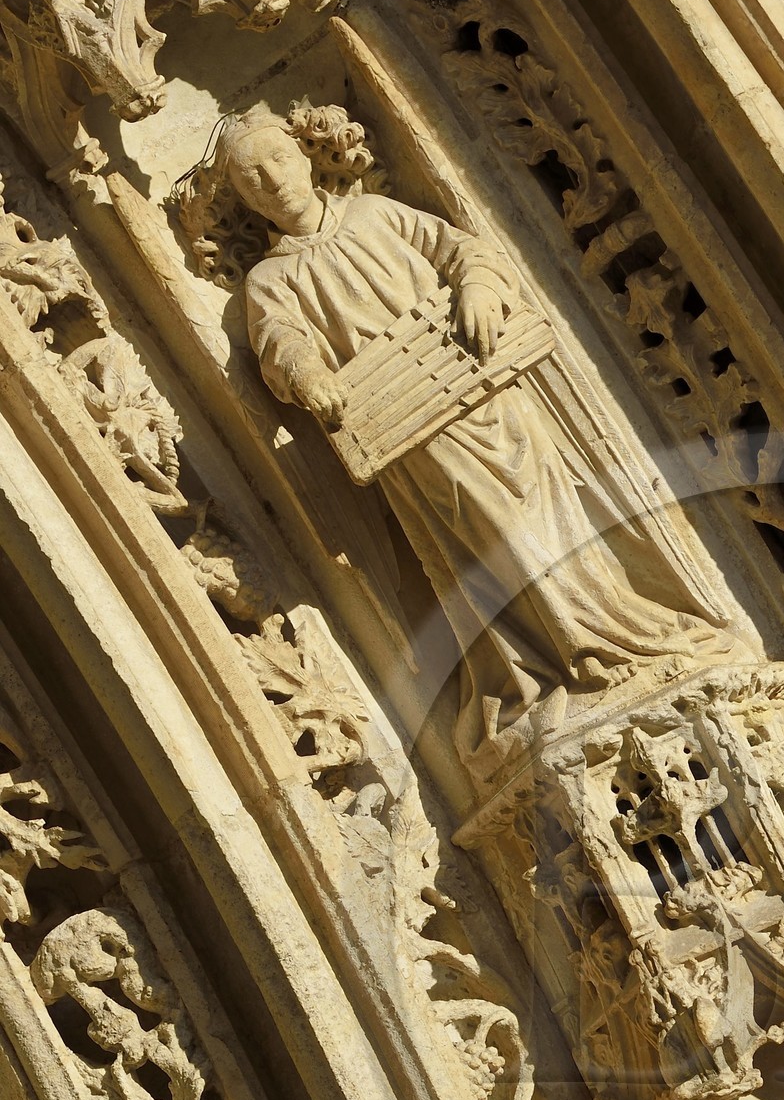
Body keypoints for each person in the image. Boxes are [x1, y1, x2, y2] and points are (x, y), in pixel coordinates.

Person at [194, 102, 728, 752]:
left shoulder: (373, 214)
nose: (271, 180)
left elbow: (463, 253)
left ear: (305, 153)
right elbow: (282, 346)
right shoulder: (270, 281)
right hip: (412, 431)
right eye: (251, 177)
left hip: (486, 398)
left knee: (549, 520)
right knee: (495, 543)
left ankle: (611, 631)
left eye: (277, 159)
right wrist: (308, 377)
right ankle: (560, 657)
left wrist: (477, 290)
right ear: (243, 198)